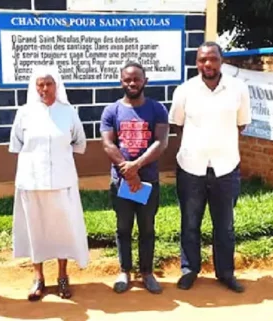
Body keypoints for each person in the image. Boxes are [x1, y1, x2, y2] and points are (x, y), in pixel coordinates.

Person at [168, 41, 251, 293]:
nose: (208, 64)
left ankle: (225, 273)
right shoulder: (184, 91)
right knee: (190, 223)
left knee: (224, 225)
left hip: (226, 168)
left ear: (221, 60)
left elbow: (242, 124)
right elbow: (177, 124)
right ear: (197, 63)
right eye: (203, 59)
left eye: (213, 59)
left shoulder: (238, 89)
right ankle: (189, 270)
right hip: (191, 168)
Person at [9, 65, 89, 301]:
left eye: (49, 83)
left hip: (62, 181)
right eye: (40, 84)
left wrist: (58, 157)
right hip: (31, 181)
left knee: (62, 231)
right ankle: (38, 278)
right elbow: (17, 145)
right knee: (37, 230)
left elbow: (79, 143)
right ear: (35, 87)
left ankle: (63, 276)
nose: (44, 88)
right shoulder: (24, 112)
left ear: (57, 85)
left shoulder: (68, 112)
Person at [100, 62, 169, 294]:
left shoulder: (157, 109)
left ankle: (147, 273)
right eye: (127, 80)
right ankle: (125, 271)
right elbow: (108, 144)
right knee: (123, 228)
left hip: (148, 180)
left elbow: (161, 142)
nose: (132, 83)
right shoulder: (112, 111)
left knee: (147, 228)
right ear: (121, 82)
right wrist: (127, 171)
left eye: (136, 79)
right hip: (121, 182)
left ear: (145, 81)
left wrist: (137, 166)